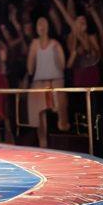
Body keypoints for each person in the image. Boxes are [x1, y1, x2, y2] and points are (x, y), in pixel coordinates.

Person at [26, 16, 68, 148]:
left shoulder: (55, 44)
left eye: (44, 23)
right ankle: (42, 145)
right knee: (39, 116)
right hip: (39, 83)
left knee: (60, 117)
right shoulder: (34, 44)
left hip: (55, 82)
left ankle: (63, 124)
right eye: (39, 23)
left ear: (48, 26)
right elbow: (30, 68)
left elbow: (62, 65)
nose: (41, 26)